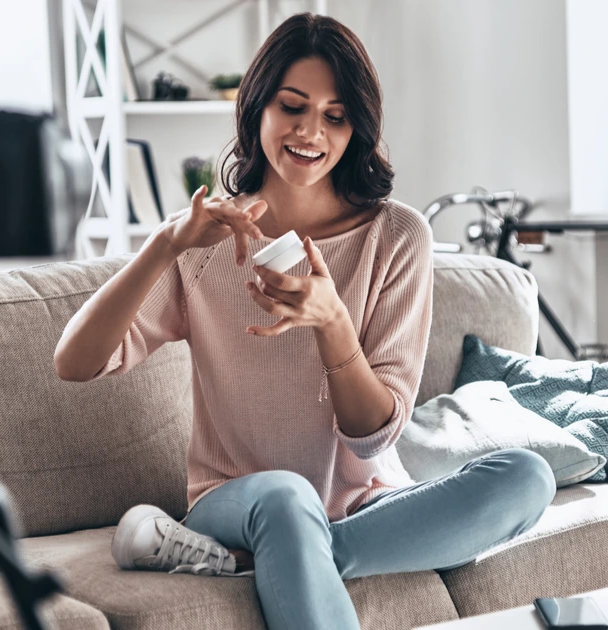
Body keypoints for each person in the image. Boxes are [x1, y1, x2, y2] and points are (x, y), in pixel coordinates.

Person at [54, 13, 555, 630]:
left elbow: (374, 438)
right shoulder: (206, 243)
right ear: (257, 107)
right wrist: (164, 245)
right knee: (286, 496)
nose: (310, 131)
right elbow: (74, 363)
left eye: (335, 116)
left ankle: (279, 559)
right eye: (292, 106)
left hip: (366, 504)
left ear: (355, 129)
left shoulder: (395, 236)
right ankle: (273, 545)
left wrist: (332, 323)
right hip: (237, 502)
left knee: (527, 475)